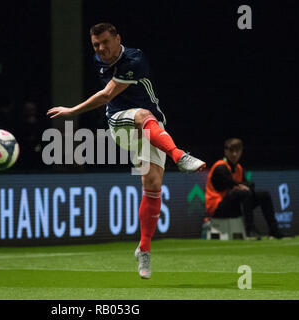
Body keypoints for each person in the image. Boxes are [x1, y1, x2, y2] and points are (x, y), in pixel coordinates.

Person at [47, 23, 206, 279]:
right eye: (95, 45)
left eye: (105, 43)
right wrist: (72, 112)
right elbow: (106, 98)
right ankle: (179, 156)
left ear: (118, 38)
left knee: (152, 184)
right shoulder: (99, 60)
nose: (100, 49)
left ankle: (144, 249)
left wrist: (72, 110)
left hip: (153, 127)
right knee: (142, 115)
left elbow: (106, 93)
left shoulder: (134, 58)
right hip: (120, 124)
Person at [205, 138, 284, 239]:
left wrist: (242, 186)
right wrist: (241, 186)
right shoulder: (220, 167)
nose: (234, 154)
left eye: (237, 151)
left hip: (234, 205)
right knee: (244, 193)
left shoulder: (239, 168)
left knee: (264, 195)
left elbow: (248, 185)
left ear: (241, 152)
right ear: (225, 151)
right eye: (231, 151)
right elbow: (231, 183)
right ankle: (249, 229)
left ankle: (274, 230)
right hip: (216, 208)